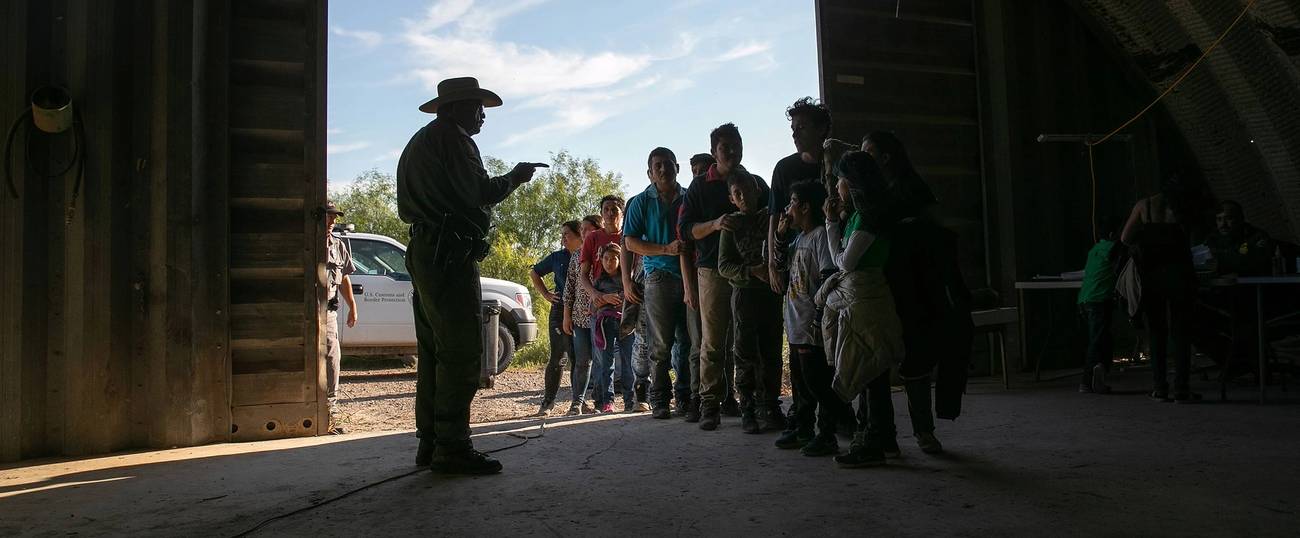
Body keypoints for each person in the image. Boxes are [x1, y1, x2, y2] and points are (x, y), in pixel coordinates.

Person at [397, 76, 543, 474]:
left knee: (434, 351)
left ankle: (430, 442)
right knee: (461, 350)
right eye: (478, 107)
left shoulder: (420, 142)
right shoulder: (455, 141)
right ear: (458, 107)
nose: (483, 116)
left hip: (427, 252)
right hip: (449, 256)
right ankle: (452, 448)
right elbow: (479, 191)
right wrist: (515, 177)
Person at [867, 131, 971, 455]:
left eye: (869, 152)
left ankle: (923, 430)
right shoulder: (873, 194)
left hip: (915, 287)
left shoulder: (910, 190)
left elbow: (937, 236)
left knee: (917, 358)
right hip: (886, 284)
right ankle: (881, 432)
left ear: (885, 158)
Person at [679, 123, 771, 431]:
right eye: (725, 147)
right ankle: (709, 404)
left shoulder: (754, 182)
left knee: (750, 340)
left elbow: (771, 219)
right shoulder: (699, 187)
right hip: (712, 271)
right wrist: (717, 223)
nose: (732, 151)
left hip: (754, 275)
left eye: (737, 144)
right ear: (714, 151)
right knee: (713, 341)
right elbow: (685, 232)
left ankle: (757, 404)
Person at [822, 151, 905, 468]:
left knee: (866, 370)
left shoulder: (868, 218)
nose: (837, 186)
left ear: (852, 183)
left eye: (841, 179)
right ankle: (884, 439)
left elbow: (844, 262)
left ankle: (872, 441)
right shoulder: (864, 215)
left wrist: (831, 224)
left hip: (865, 298)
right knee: (874, 371)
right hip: (866, 296)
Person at [772, 181, 853, 455]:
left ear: (806, 207)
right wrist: (780, 238)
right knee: (800, 383)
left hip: (811, 325)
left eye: (793, 202)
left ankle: (828, 432)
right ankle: (803, 427)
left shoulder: (819, 236)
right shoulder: (797, 239)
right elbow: (780, 269)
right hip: (795, 324)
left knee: (817, 381)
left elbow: (828, 277)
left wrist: (819, 318)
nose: (787, 208)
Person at [768, 97, 832, 433]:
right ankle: (804, 415)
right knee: (798, 344)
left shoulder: (837, 164)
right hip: (797, 262)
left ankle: (836, 415)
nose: (795, 134)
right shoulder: (785, 168)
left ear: (823, 129)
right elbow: (775, 218)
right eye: (793, 128)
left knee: (829, 349)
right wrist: (771, 264)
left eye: (802, 127)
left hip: (831, 260)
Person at [1120, 173, 1203, 403]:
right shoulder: (1183, 210)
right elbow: (1193, 240)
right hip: (1180, 275)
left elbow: (1125, 238)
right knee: (1181, 333)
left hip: (1151, 275)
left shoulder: (1144, 206)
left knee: (1156, 332)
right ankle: (1182, 389)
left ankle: (1160, 387)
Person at [624, 147, 693, 419]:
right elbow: (630, 242)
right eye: (657, 166)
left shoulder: (689, 197)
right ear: (649, 172)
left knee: (687, 342)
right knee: (660, 344)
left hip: (691, 277)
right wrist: (665, 250)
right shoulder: (640, 202)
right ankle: (660, 400)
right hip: (658, 277)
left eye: (668, 164)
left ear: (678, 167)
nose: (663, 169)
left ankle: (685, 397)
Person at [717, 171, 786, 433]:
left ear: (757, 189)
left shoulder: (771, 217)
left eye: (747, 190)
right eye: (737, 193)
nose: (743, 196)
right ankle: (747, 407)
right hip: (744, 293)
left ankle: (769, 405)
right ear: (732, 199)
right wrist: (751, 271)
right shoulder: (732, 225)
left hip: (770, 292)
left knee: (771, 351)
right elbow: (724, 265)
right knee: (745, 352)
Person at [530, 221, 583, 415]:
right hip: (559, 311)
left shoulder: (587, 253)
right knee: (558, 357)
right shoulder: (556, 257)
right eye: (562, 235)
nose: (562, 239)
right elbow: (534, 272)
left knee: (580, 358)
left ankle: (579, 402)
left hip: (582, 312)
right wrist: (546, 294)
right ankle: (547, 402)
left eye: (567, 234)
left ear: (580, 235)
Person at [1077, 220, 1125, 394]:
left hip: (1084, 300)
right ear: (1113, 235)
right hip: (1099, 301)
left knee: (1102, 339)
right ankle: (1086, 381)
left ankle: (1098, 375)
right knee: (1097, 342)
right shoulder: (1111, 248)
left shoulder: (1094, 249)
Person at [562, 216, 602, 415]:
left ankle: (602, 401)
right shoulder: (576, 255)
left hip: (602, 317)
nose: (585, 233)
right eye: (583, 230)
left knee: (602, 361)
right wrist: (566, 316)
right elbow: (569, 288)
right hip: (579, 318)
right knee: (582, 361)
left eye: (589, 229)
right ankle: (577, 403)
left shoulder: (607, 252)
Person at [323, 202, 358, 434]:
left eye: (334, 218)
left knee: (332, 362)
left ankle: (330, 417)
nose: (332, 222)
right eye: (329, 217)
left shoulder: (338, 244)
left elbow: (344, 276)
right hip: (307, 314)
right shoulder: (306, 242)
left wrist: (352, 305)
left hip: (329, 313)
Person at [591, 243, 635, 412]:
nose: (610, 262)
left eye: (614, 258)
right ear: (601, 260)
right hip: (604, 325)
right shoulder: (599, 282)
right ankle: (607, 401)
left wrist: (623, 298)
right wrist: (604, 299)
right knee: (606, 364)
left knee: (627, 362)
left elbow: (634, 298)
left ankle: (629, 400)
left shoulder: (627, 278)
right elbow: (592, 308)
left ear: (620, 259)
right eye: (606, 258)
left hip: (626, 324)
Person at [1204, 200, 1275, 276]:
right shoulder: (1213, 238)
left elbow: (1255, 263)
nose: (1223, 224)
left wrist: (1221, 263)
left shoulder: (1256, 236)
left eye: (1228, 218)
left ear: (1240, 219)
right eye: (1219, 219)